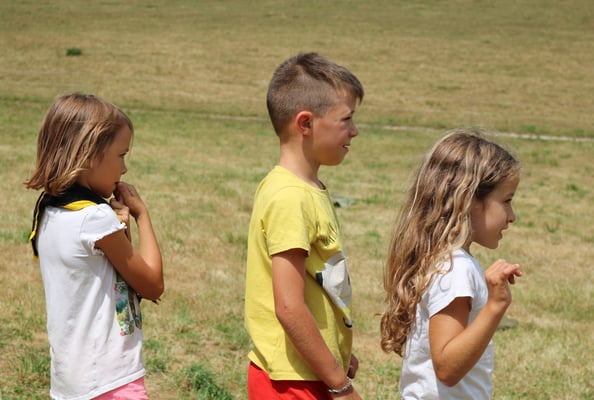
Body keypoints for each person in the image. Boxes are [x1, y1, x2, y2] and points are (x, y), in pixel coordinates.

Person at [25, 93, 164, 400]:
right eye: (121, 155)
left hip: (72, 381)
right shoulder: (94, 218)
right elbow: (152, 284)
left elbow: (106, 279)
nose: (124, 169)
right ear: (89, 154)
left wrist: (120, 228)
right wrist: (142, 215)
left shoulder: (50, 209)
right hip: (111, 380)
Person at [244, 52, 364, 399]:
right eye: (346, 119)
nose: (354, 130)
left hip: (308, 373)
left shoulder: (304, 189)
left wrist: (335, 353)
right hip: (291, 383)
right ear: (306, 124)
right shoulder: (290, 197)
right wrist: (340, 384)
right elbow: (290, 307)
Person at [379, 128, 522, 399]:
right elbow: (447, 368)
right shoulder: (456, 269)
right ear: (470, 201)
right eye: (506, 201)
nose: (512, 215)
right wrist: (495, 306)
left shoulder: (445, 260)